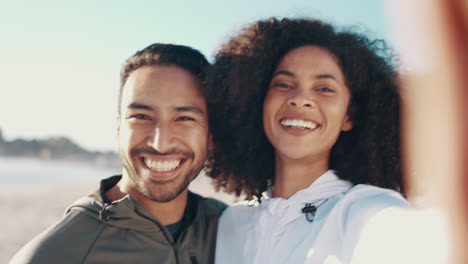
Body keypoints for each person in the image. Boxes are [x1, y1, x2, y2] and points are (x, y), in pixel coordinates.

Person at [207, 18, 409, 263]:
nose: (300, 99)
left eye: (324, 88)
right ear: (258, 103)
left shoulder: (367, 210)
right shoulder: (229, 222)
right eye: (283, 84)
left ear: (349, 117)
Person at [10, 43, 226, 264]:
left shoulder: (233, 228)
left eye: (185, 118)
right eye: (141, 116)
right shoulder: (53, 255)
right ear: (118, 128)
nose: (160, 143)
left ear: (211, 136)